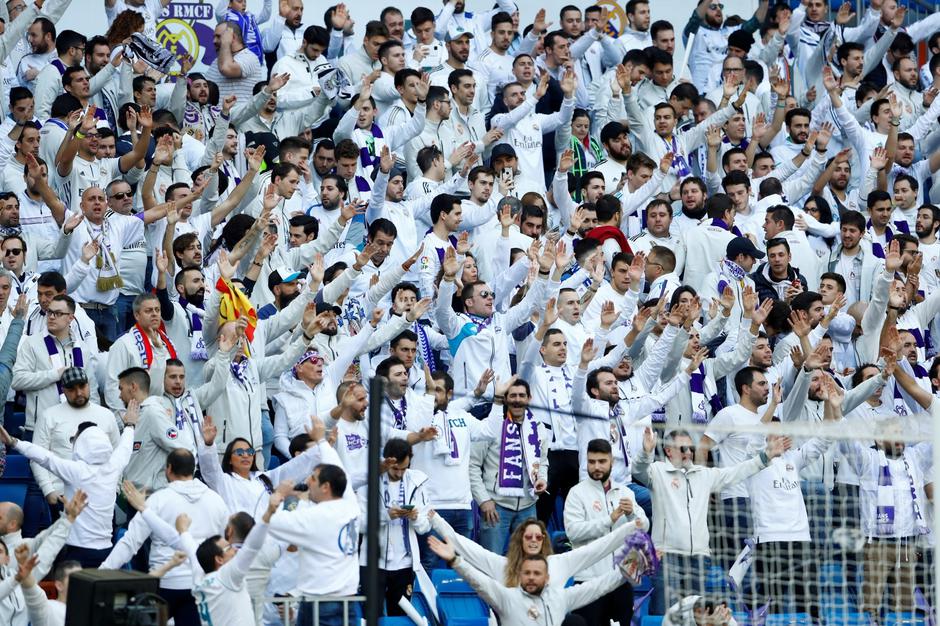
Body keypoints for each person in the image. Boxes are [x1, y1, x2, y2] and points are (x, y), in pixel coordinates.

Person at [0, 400, 139, 567]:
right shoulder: (113, 467)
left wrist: (14, 442)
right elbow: (125, 446)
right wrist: (130, 425)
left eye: (74, 439)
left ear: (82, 443)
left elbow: (44, 457)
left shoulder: (76, 471)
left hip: (77, 552)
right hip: (106, 551)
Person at [101, 452, 228, 626]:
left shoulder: (158, 500)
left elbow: (130, 542)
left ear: (168, 469)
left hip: (164, 585)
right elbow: (224, 545)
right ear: (194, 468)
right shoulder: (216, 500)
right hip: (200, 586)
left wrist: (102, 572)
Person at [426, 533, 639, 626]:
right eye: (527, 573)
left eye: (537, 574)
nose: (531, 578)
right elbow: (478, 581)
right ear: (519, 575)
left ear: (547, 578)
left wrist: (631, 565)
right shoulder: (506, 597)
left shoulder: (561, 598)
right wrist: (455, 560)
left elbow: (599, 587)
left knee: (576, 622)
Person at [564, 439, 649, 626]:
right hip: (588, 582)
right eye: (592, 462)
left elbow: (644, 526)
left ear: (612, 461)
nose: (596, 467)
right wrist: (609, 519)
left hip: (620, 581)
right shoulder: (576, 493)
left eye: (602, 461)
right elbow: (573, 532)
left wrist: (632, 513)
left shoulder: (625, 492)